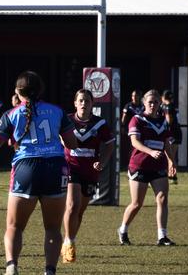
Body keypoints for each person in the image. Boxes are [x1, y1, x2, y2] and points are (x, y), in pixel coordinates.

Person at [0, 71, 78, 275]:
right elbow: (72, 144)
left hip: (26, 169)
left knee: (14, 226)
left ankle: (12, 268)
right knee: (53, 228)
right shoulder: (57, 111)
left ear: (18, 93)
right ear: (40, 91)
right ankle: (50, 271)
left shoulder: (10, 115)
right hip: (55, 168)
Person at [117, 89, 177, 247]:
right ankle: (123, 230)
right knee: (137, 203)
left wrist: (171, 162)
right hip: (140, 165)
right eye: (150, 102)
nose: (153, 104)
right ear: (144, 103)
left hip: (158, 166)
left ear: (160, 104)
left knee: (162, 199)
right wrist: (150, 152)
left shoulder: (163, 122)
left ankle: (162, 236)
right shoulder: (137, 120)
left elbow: (166, 144)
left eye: (156, 102)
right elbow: (134, 142)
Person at [61, 89, 114, 263]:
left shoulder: (100, 124)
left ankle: (70, 240)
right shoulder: (66, 120)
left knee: (80, 211)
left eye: (87, 101)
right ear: (75, 103)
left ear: (92, 105)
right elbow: (57, 137)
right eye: (81, 100)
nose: (84, 104)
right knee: (72, 206)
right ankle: (69, 243)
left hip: (90, 171)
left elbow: (109, 144)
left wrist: (102, 161)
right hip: (71, 168)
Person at [160, 90, 181, 182]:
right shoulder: (171, 106)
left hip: (172, 133)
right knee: (171, 155)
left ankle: (172, 176)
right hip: (176, 133)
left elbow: (168, 120)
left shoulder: (167, 106)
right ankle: (172, 176)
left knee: (169, 155)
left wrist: (165, 130)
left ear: (163, 97)